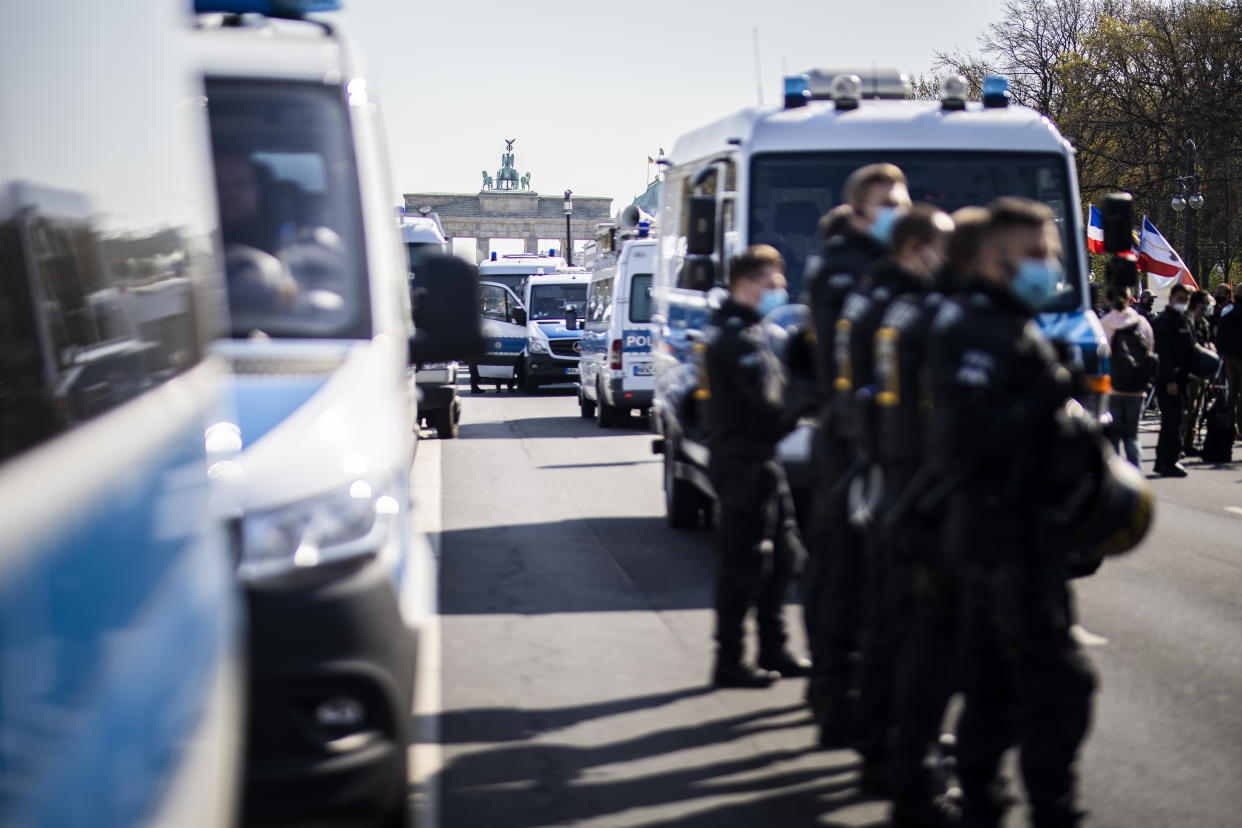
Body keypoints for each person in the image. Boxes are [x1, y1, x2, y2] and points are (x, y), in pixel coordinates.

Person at [928, 197, 1096, 828]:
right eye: (1034, 254)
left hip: (1018, 533)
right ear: (993, 259)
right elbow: (965, 443)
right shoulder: (977, 331)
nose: (1047, 265)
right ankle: (1052, 809)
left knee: (994, 685)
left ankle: (982, 801)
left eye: (1050, 252)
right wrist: (1043, 401)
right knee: (1061, 688)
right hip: (1005, 537)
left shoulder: (1013, 324)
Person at [835, 205, 955, 794]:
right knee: (910, 628)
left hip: (886, 472)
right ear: (916, 248)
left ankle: (883, 744)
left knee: (888, 620)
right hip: (909, 478)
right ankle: (899, 753)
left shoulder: (873, 299)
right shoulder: (909, 309)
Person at [802, 163, 911, 743]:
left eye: (903, 197)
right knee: (846, 572)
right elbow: (847, 365)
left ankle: (856, 697)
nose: (900, 206)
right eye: (889, 200)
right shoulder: (846, 271)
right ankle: (838, 696)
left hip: (886, 438)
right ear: (862, 210)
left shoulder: (886, 265)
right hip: (853, 437)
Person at [701, 245, 811, 688]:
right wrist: (805, 400)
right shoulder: (737, 338)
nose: (780, 294)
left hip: (759, 459)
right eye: (773, 286)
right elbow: (767, 408)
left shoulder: (746, 329)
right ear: (746, 286)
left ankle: (774, 647)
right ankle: (730, 660)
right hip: (744, 461)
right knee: (743, 567)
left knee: (785, 557)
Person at [1099, 285, 1157, 467]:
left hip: (1112, 387)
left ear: (1109, 300)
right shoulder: (1142, 323)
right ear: (1131, 299)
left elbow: (1098, 353)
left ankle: (1115, 479)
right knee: (1132, 437)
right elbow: (1150, 350)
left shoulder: (1104, 323)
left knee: (1113, 438)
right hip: (1138, 388)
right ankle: (1137, 474)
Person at [1151, 283, 1196, 477]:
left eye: (1185, 300)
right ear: (1170, 299)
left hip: (1183, 377)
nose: (1183, 303)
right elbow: (1164, 354)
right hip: (1170, 378)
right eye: (1180, 299)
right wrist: (1169, 379)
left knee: (1175, 419)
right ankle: (1170, 461)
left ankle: (1162, 461)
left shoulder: (1184, 319)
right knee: (1173, 421)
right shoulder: (1165, 322)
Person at [1181, 290, 1215, 454]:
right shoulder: (1186, 321)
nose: (1209, 307)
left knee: (1196, 410)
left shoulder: (1203, 322)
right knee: (1187, 410)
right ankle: (1179, 443)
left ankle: (1189, 443)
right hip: (1189, 372)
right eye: (1207, 303)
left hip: (1202, 373)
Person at [1215, 285, 1242, 441]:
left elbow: (1220, 333)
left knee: (1231, 393)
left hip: (1229, 358)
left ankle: (1229, 425)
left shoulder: (1227, 311)